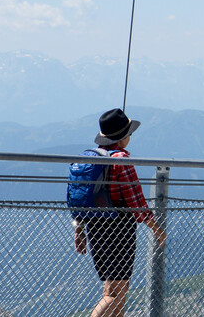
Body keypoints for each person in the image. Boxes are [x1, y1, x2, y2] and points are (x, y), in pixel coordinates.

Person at [72, 108, 165, 317]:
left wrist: (79, 230)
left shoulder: (93, 158)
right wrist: (157, 230)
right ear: (123, 137)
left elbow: (80, 196)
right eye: (129, 133)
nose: (130, 137)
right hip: (119, 231)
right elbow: (136, 203)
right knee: (116, 294)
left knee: (111, 289)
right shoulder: (121, 160)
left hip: (96, 230)